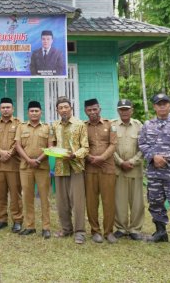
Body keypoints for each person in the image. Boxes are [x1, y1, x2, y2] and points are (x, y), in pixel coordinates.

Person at [138, 93, 170, 251]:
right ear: (154, 107)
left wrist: (164, 159)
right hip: (154, 173)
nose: (162, 106)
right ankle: (161, 232)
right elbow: (142, 143)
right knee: (155, 202)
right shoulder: (147, 125)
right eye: (159, 104)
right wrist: (154, 157)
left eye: (164, 103)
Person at [51, 96, 89, 244]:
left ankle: (80, 232)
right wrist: (53, 151)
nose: (64, 110)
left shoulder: (80, 125)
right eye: (61, 108)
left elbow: (85, 147)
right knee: (61, 201)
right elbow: (52, 143)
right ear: (57, 110)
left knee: (77, 201)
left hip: (76, 166)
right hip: (60, 167)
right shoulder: (55, 125)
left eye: (66, 107)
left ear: (71, 108)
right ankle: (66, 229)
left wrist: (74, 155)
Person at [15, 100, 53, 239]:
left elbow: (50, 146)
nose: (34, 113)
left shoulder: (47, 128)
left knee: (44, 197)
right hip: (26, 167)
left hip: (42, 167)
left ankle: (46, 227)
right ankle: (30, 226)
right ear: (28, 112)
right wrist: (29, 160)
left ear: (41, 112)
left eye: (37, 111)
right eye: (32, 111)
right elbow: (18, 146)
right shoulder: (21, 127)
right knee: (27, 197)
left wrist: (38, 159)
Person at [82, 98, 118, 244]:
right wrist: (90, 157)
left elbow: (113, 144)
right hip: (90, 168)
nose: (92, 112)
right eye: (89, 110)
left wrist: (101, 158)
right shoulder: (82, 127)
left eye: (95, 109)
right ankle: (95, 231)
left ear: (100, 109)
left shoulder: (110, 125)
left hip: (107, 168)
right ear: (85, 111)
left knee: (108, 201)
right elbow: (80, 144)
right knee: (91, 201)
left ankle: (109, 232)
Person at [112, 99, 145, 241]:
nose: (124, 112)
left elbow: (144, 147)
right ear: (118, 111)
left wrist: (131, 161)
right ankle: (120, 228)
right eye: (121, 109)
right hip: (118, 169)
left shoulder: (139, 126)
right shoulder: (112, 126)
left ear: (132, 110)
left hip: (134, 169)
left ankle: (135, 229)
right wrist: (120, 162)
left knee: (137, 201)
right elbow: (110, 147)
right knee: (119, 200)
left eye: (127, 109)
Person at [0, 97, 23, 233]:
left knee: (15, 194)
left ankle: (17, 220)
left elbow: (19, 141)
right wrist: (0, 151)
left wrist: (9, 152)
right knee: (0, 195)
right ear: (0, 109)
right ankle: (1, 220)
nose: (5, 109)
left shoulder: (19, 123)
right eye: (3, 107)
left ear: (12, 109)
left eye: (8, 107)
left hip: (13, 165)